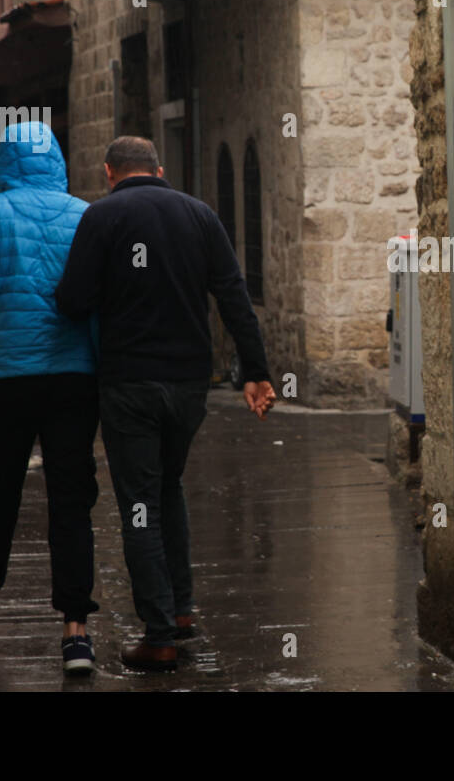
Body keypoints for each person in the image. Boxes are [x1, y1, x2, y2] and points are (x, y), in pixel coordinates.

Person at [56, 136, 276, 673]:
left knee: (139, 503)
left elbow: (72, 300)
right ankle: (179, 610)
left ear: (109, 172)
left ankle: (158, 636)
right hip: (188, 385)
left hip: (130, 384)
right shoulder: (200, 216)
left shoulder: (102, 217)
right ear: (161, 169)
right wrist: (257, 373)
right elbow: (232, 296)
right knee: (167, 486)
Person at [0, 121, 101, 676]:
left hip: (9, 380)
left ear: (4, 163)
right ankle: (76, 632)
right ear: (57, 161)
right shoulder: (84, 216)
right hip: (75, 378)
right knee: (71, 498)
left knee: (1, 489)